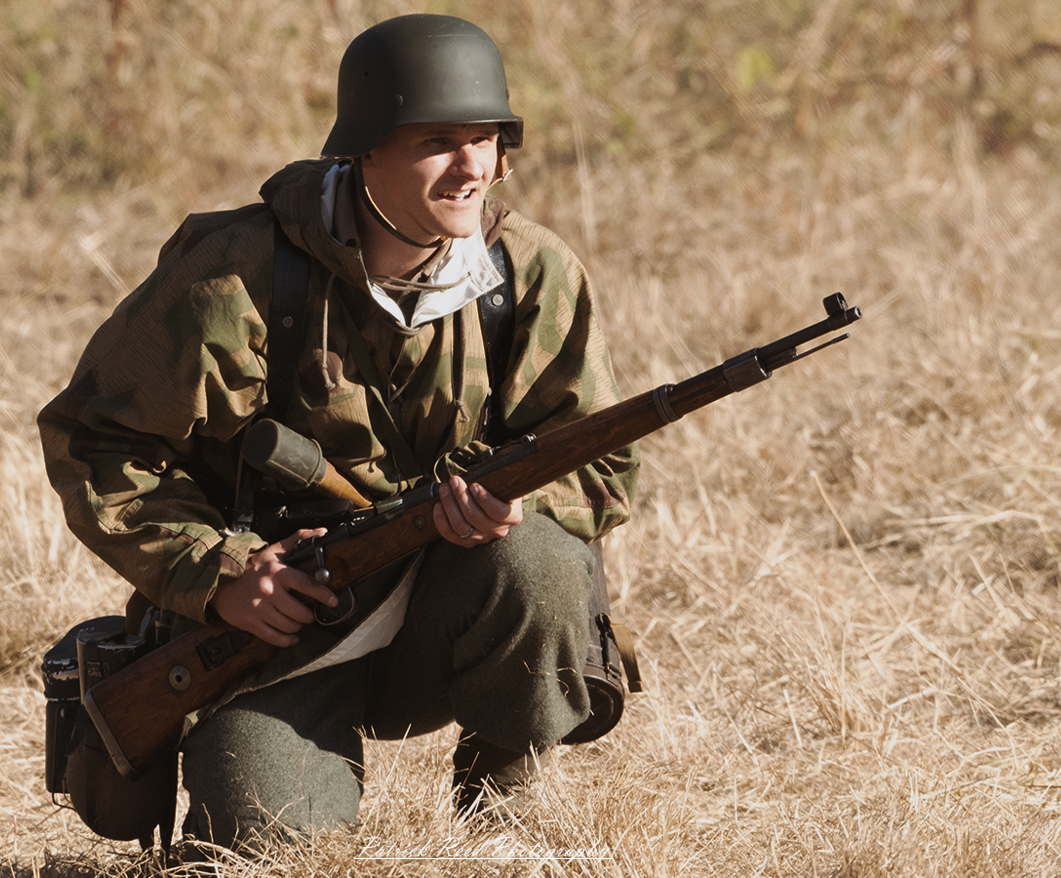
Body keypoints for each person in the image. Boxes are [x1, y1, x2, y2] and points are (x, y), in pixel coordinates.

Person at [37, 13, 636, 851]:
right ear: (366, 150)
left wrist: (506, 513)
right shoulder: (233, 276)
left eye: (489, 139)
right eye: (439, 141)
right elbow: (96, 441)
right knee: (271, 848)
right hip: (276, 630)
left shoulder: (532, 274)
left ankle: (501, 802)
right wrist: (220, 577)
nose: (474, 167)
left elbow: (599, 464)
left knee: (539, 559)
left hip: (449, 608)